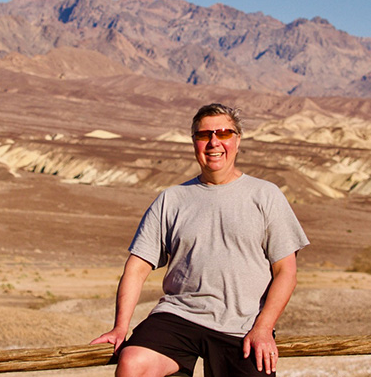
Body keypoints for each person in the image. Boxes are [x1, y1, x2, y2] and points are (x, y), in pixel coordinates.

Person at [92, 103, 309, 377]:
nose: (214, 142)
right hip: (179, 315)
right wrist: (120, 327)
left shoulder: (266, 196)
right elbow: (137, 267)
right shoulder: (171, 199)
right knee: (133, 363)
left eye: (224, 133)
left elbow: (286, 272)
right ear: (194, 141)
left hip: (241, 325)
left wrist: (264, 328)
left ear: (238, 140)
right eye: (204, 135)